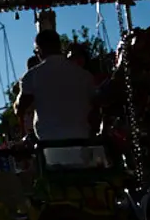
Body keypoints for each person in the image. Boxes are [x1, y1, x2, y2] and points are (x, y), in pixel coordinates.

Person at [14, 31, 99, 164]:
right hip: (82, 141)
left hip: (50, 144)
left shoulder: (33, 75)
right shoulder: (84, 75)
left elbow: (20, 108)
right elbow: (95, 107)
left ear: (39, 49)